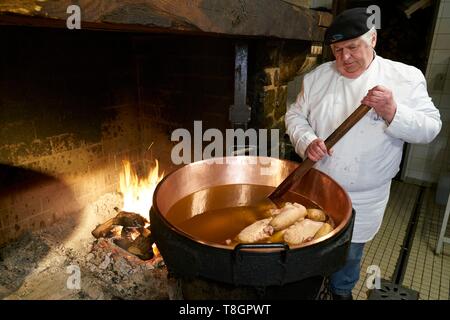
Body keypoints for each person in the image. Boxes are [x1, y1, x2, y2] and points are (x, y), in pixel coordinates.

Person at [285, 7, 441, 300]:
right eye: (337, 49)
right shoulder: (318, 77)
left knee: (350, 252)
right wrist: (306, 140)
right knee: (308, 243)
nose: (345, 58)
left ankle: (341, 291)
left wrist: (393, 112)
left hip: (365, 195)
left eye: (353, 47)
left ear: (373, 39)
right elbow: (294, 116)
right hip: (318, 186)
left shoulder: (404, 77)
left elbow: (431, 128)